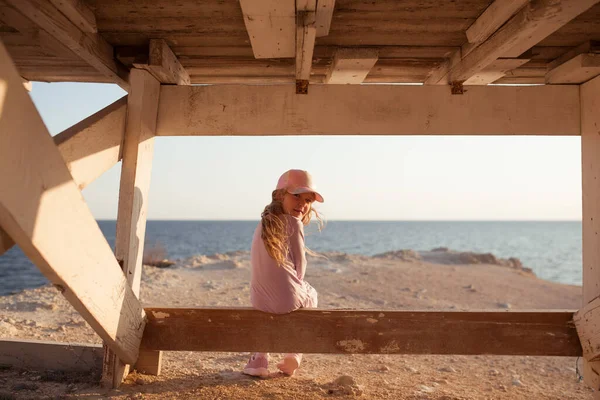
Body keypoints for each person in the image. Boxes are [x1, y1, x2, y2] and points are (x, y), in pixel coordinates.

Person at [242, 169, 325, 378]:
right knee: (311, 293)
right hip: (287, 300)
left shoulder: (263, 223)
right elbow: (300, 267)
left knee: (271, 305)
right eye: (296, 195)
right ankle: (294, 354)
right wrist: (295, 286)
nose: (302, 204)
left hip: (258, 300)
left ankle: (258, 361)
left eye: (307, 200)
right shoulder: (294, 223)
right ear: (280, 195)